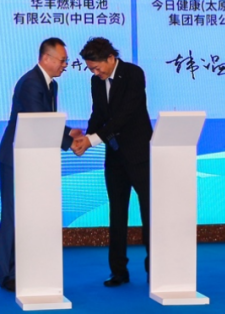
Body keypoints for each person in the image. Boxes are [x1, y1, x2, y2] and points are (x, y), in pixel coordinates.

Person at [0, 38, 80, 291]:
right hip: (15, 159)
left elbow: (45, 118)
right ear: (46, 58)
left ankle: (24, 268)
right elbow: (38, 118)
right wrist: (70, 142)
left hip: (31, 158)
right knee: (13, 216)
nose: (65, 65)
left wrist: (68, 132)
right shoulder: (32, 82)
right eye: (62, 60)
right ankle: (8, 275)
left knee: (27, 215)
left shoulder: (50, 84)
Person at [72, 37, 152, 286]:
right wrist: (85, 137)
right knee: (117, 213)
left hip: (139, 155)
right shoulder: (96, 81)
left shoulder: (133, 74)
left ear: (110, 58)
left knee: (150, 212)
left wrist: (92, 140)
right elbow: (98, 113)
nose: (95, 73)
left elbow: (124, 116)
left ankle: (156, 268)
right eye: (91, 70)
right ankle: (118, 271)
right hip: (115, 156)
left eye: (97, 68)